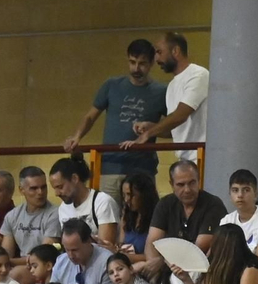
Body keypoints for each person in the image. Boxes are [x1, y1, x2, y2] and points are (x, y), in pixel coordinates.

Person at [62, 38, 168, 198]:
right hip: (110, 167)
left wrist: (151, 128)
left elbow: (174, 131)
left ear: (152, 62)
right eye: (132, 62)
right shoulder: (112, 85)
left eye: (142, 63)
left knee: (142, 218)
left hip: (142, 169)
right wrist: (77, 137)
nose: (136, 68)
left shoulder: (161, 92)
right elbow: (91, 116)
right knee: (107, 217)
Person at [127, 31, 207, 162]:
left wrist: (148, 134)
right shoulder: (171, 86)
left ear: (175, 51)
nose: (157, 59)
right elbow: (174, 130)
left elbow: (180, 115)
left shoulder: (198, 75)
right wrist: (151, 127)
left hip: (201, 158)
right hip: (185, 160)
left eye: (159, 52)